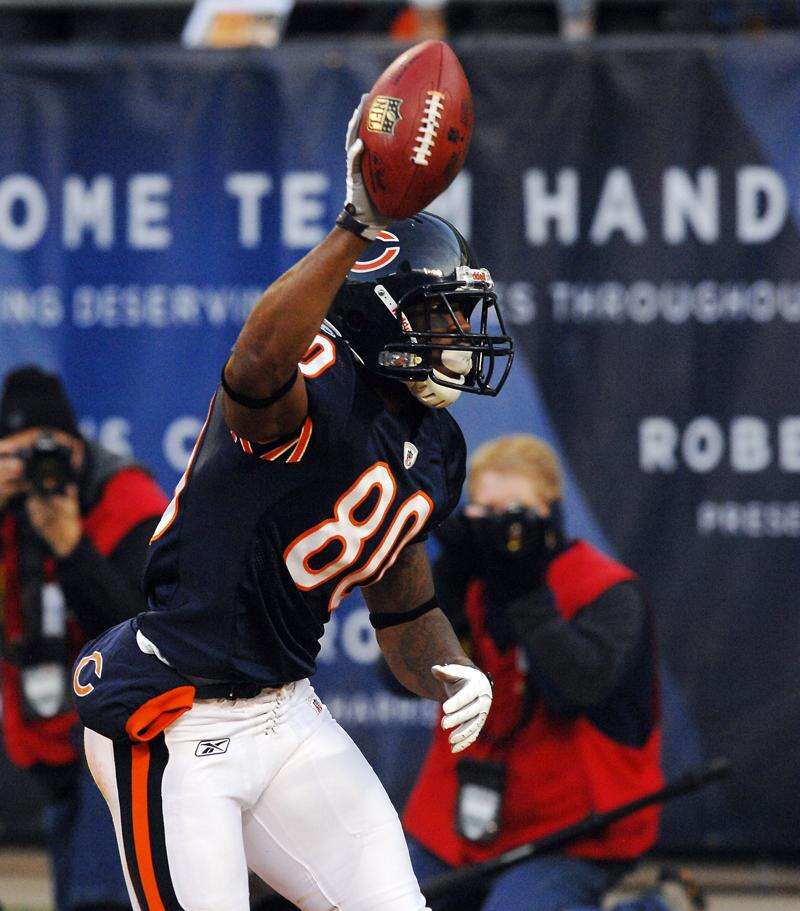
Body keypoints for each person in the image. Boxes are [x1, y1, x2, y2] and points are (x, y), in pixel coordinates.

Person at [72, 100, 513, 911]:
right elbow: (252, 368)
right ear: (380, 315)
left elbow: (403, 601)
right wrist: (354, 227)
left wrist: (453, 668)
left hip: (286, 713)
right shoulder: (316, 385)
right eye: (439, 312)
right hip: (175, 717)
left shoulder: (435, 447)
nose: (458, 332)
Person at [403, 433, 665, 911]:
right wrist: (446, 586)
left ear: (550, 510)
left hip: (572, 825)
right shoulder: (469, 579)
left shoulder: (607, 589)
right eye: (485, 512)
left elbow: (577, 687)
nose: (501, 528)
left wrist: (525, 592)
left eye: (515, 512)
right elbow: (398, 679)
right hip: (461, 812)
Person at [0, 366, 168, 911]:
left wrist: (71, 548)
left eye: (50, 451)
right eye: (20, 455)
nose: (39, 470)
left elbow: (148, 637)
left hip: (125, 736)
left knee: (100, 897)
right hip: (42, 729)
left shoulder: (129, 501)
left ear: (77, 445)